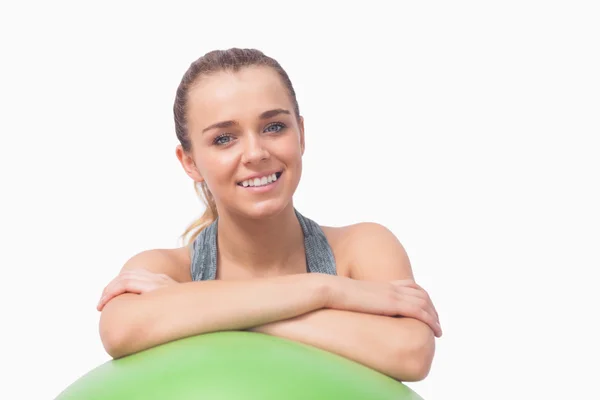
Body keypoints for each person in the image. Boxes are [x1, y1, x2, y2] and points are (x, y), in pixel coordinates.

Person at [96, 48, 442, 382]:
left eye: (274, 127)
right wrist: (325, 291)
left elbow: (410, 353)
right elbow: (119, 330)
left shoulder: (362, 247)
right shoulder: (163, 269)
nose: (255, 153)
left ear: (301, 134)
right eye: (224, 138)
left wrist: (209, 312)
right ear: (189, 162)